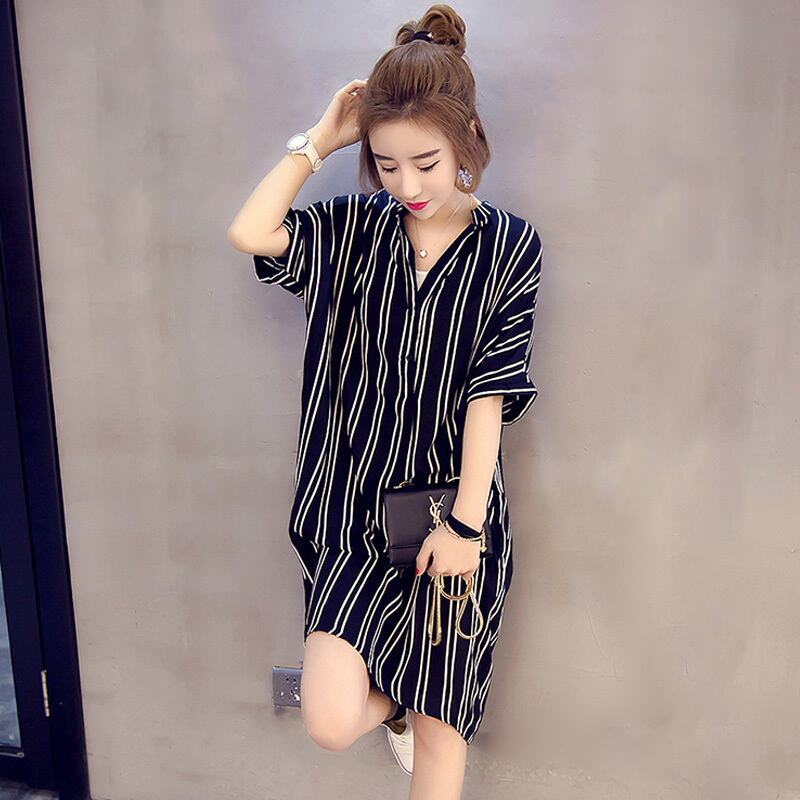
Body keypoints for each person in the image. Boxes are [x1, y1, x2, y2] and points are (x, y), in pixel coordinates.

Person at [227, 5, 543, 798]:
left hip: (451, 514)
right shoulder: (352, 231)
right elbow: (252, 233)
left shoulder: (511, 247)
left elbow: (491, 392)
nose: (407, 186)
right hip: (349, 516)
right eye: (386, 163)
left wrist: (467, 525)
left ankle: (420, 708)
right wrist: (318, 142)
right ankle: (396, 704)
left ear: (468, 137)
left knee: (443, 731)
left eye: (426, 163)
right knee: (330, 720)